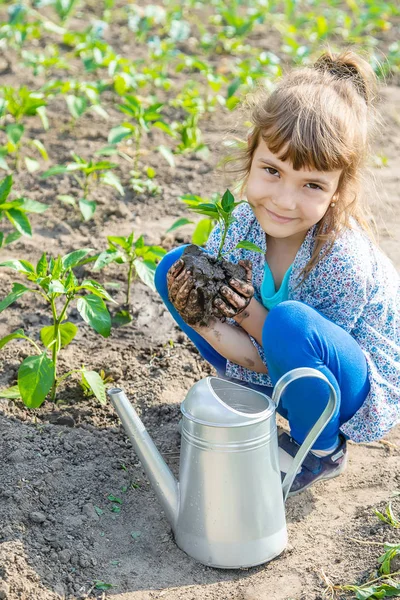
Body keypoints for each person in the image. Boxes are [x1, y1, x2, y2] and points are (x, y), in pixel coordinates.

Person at [154, 49, 400, 496]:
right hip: (278, 358)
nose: (284, 201)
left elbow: (295, 357)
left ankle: (322, 449)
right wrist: (204, 318)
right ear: (251, 158)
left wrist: (246, 311)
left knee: (290, 321)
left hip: (343, 384)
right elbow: (257, 355)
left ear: (338, 191)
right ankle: (256, 398)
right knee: (177, 268)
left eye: (311, 185)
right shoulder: (238, 226)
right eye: (272, 171)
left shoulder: (341, 260)